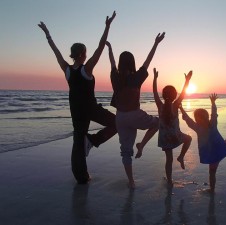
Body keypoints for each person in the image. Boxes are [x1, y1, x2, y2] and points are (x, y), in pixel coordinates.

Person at [38, 11, 117, 184]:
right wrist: (107, 26)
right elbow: (100, 47)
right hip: (90, 108)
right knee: (117, 123)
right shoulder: (86, 69)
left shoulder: (67, 70)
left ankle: (81, 177)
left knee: (77, 141)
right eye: (86, 53)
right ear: (82, 54)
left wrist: (48, 34)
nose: (88, 55)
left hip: (76, 109)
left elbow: (56, 52)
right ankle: (92, 140)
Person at [106, 32, 165, 189]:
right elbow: (148, 60)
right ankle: (142, 145)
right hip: (135, 115)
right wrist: (156, 43)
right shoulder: (136, 77)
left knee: (126, 151)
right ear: (132, 63)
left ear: (120, 63)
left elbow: (111, 63)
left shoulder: (115, 77)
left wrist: (109, 49)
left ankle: (131, 181)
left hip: (120, 117)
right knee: (158, 123)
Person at [180, 93, 226, 193]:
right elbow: (213, 114)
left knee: (212, 172)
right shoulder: (212, 124)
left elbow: (188, 119)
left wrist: (181, 108)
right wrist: (212, 103)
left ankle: (212, 190)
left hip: (210, 153)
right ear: (206, 117)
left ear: (197, 119)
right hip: (220, 149)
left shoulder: (198, 128)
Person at [152, 68, 192, 186]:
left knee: (169, 160)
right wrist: (187, 80)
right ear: (175, 95)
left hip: (165, 138)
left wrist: (155, 79)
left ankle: (170, 181)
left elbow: (154, 92)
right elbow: (184, 92)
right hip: (175, 136)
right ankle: (181, 157)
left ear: (163, 96)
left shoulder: (160, 105)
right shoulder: (175, 105)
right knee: (189, 139)